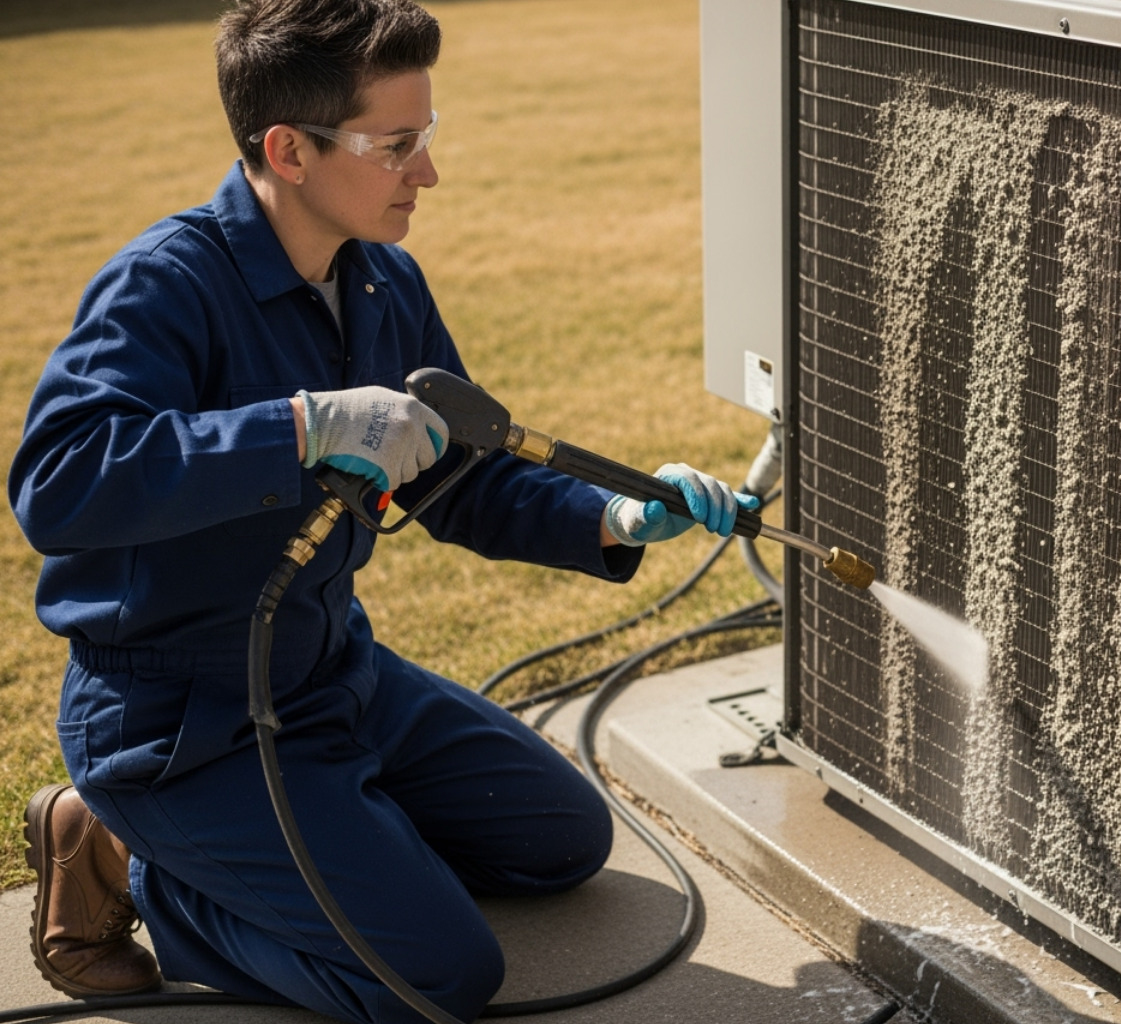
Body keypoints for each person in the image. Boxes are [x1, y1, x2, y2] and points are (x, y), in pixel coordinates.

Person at [6, 1, 756, 1021]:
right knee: (433, 980)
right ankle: (131, 860)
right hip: (178, 722)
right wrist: (303, 426)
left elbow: (460, 480)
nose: (428, 173)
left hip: (334, 674)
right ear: (289, 150)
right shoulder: (164, 287)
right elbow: (58, 481)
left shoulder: (383, 283)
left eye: (426, 139)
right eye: (396, 146)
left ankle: (323, 837)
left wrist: (613, 519)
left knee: (562, 840)